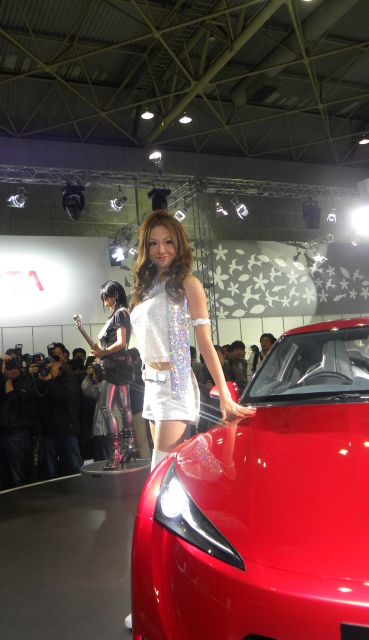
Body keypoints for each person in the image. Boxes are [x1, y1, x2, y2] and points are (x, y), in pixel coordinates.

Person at [126, 209, 255, 630]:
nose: (161, 250)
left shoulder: (188, 284)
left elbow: (204, 343)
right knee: (167, 489)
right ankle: (172, 584)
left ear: (179, 243)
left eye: (168, 242)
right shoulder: (147, 286)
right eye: (153, 243)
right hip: (151, 385)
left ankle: (157, 590)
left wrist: (224, 395)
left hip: (177, 383)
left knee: (155, 493)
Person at [84, 280, 136, 470]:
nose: (105, 302)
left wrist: (103, 353)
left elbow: (121, 342)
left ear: (114, 295)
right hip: (121, 364)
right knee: (124, 407)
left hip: (113, 366)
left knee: (106, 408)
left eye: (106, 298)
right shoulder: (122, 313)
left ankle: (116, 452)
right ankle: (129, 447)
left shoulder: (120, 313)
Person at [0, 353, 37, 490]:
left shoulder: (26, 382)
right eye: (7, 366)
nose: (10, 369)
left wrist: (7, 378)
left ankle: (22, 501)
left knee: (18, 476)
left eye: (13, 366)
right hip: (0, 434)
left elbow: (13, 399)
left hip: (18, 434)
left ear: (19, 367)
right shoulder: (2, 381)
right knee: (4, 477)